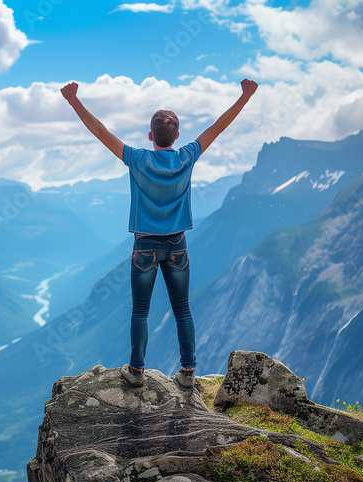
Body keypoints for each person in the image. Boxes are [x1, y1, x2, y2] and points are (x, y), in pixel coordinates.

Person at [61, 78, 258, 389]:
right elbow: (219, 127)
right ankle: (188, 372)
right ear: (177, 136)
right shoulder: (187, 156)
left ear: (150, 136)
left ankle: (136, 370)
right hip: (178, 244)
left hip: (145, 245)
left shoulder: (139, 160)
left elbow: (100, 131)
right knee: (182, 308)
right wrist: (245, 96)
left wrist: (73, 101)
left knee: (140, 310)